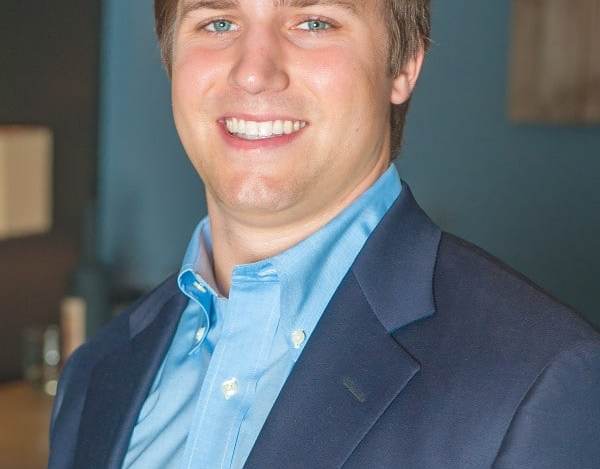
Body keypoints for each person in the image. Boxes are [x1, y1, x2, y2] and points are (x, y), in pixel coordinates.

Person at [48, 1, 600, 468]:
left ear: (404, 63)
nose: (253, 73)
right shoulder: (96, 372)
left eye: (314, 22)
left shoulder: (542, 382)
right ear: (170, 57)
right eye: (218, 22)